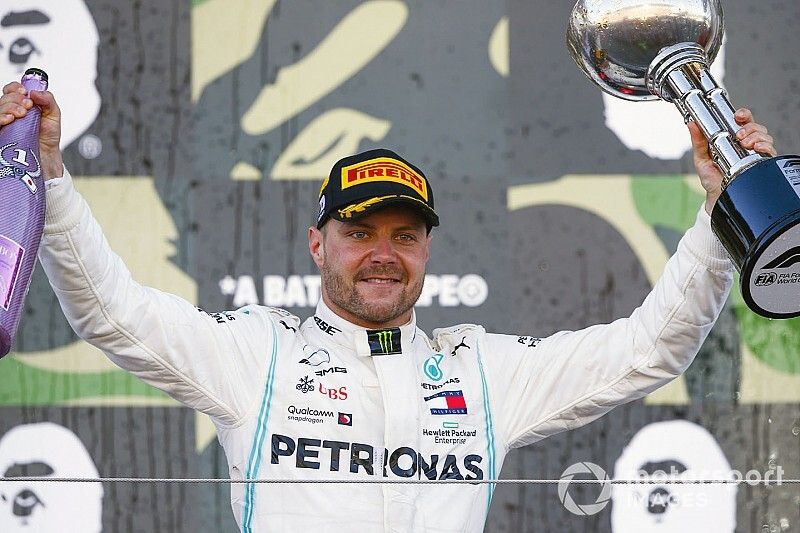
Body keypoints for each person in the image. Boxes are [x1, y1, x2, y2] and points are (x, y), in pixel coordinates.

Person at [0, 81, 777, 532]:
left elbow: (651, 349)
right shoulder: (255, 353)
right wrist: (51, 177)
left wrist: (722, 208)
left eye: (404, 235)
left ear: (428, 251)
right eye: (359, 231)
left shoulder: (481, 369)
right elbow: (112, 313)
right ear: (317, 244)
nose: (382, 252)